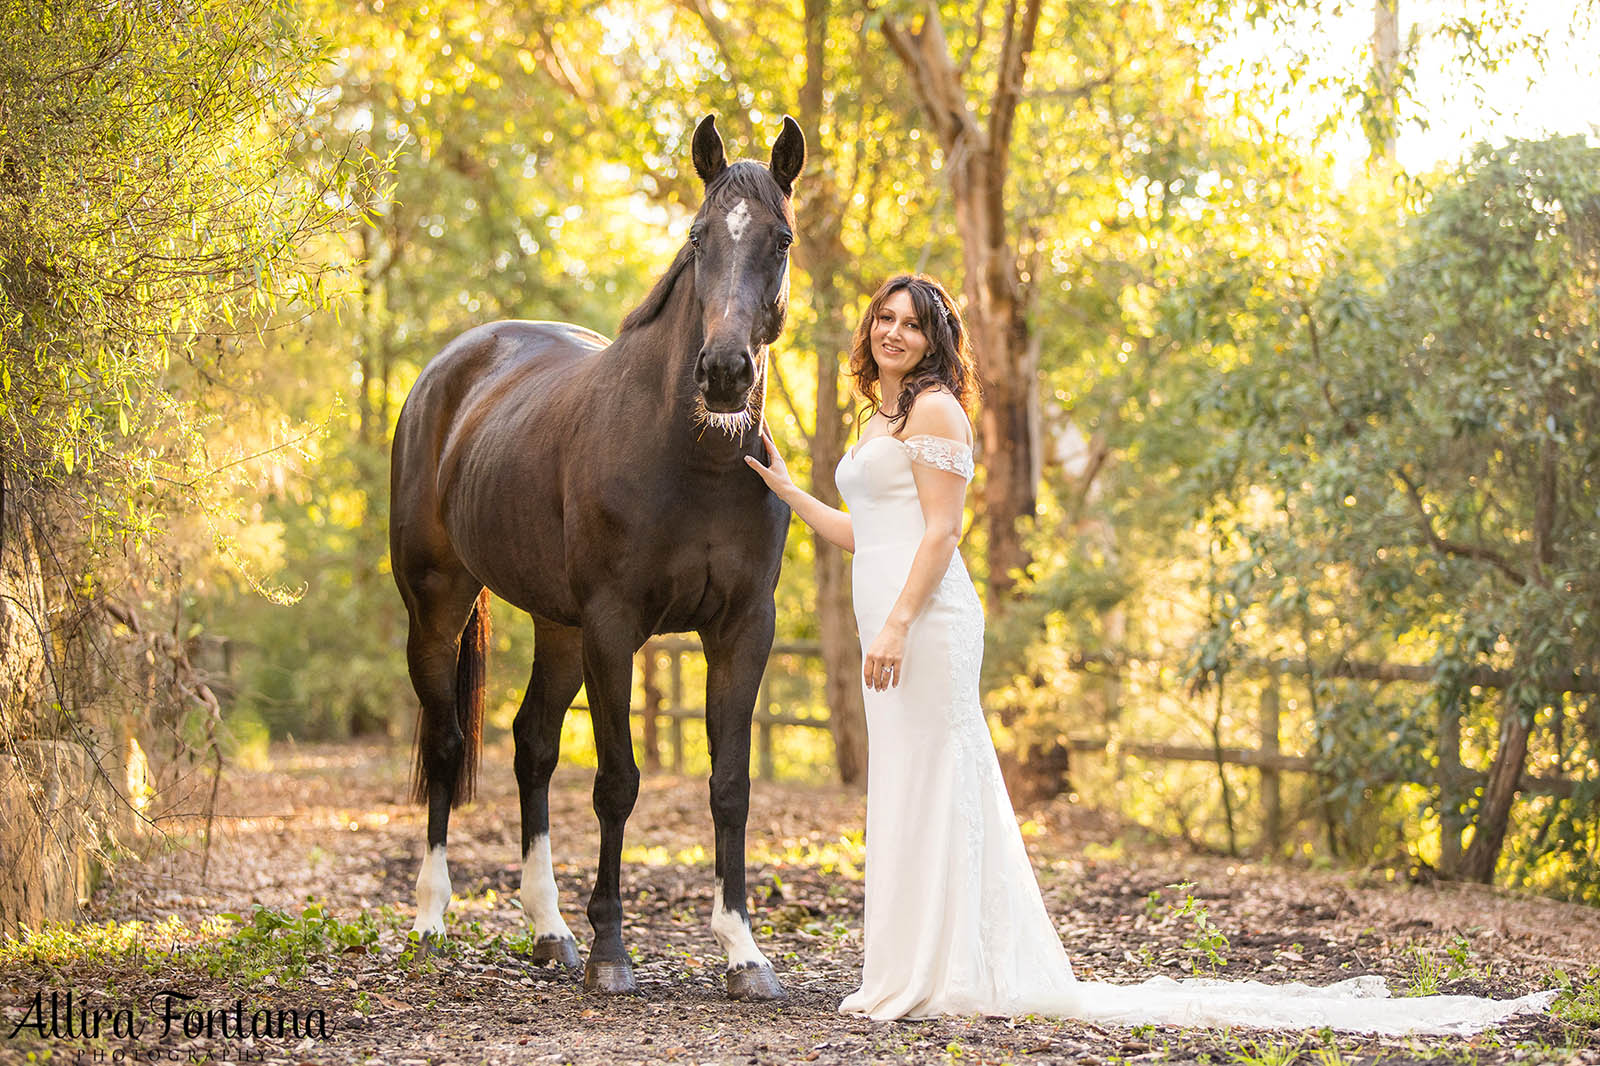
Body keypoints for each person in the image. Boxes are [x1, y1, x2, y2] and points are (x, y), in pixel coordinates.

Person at [744, 273, 1555, 1034]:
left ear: (935, 339)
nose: (894, 332)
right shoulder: (880, 420)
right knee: (902, 781)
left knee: (937, 776)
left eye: (912, 324)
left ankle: (947, 968)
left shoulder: (936, 414)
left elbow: (943, 532)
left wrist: (897, 625)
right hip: (883, 611)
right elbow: (869, 533)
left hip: (926, 621)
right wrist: (788, 492)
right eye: (884, 319)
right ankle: (910, 965)